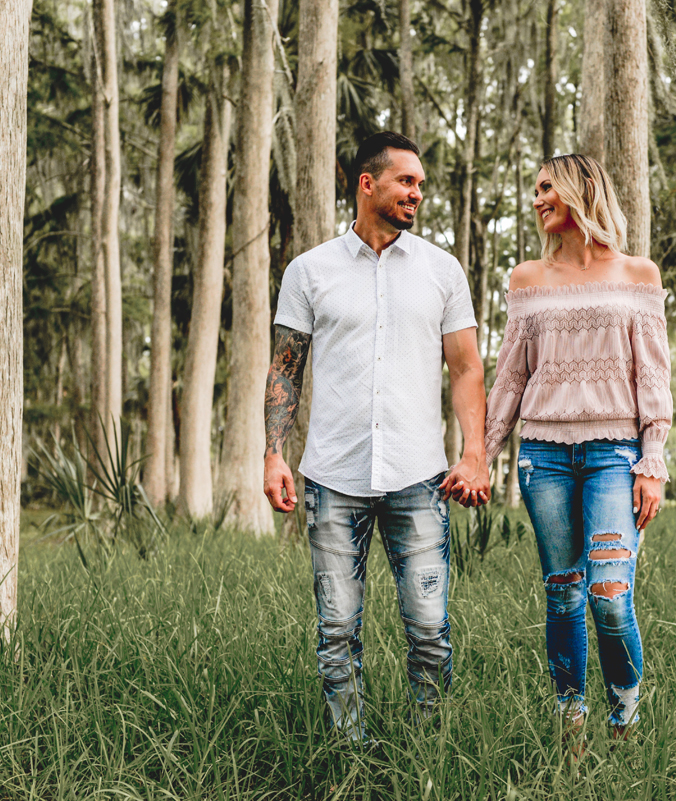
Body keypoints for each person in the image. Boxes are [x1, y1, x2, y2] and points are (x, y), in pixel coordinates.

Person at [263, 131, 490, 742]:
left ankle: (427, 750)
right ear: (368, 184)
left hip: (419, 477)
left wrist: (474, 454)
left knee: (430, 630)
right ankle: (349, 752)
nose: (418, 193)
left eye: (420, 184)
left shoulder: (442, 272)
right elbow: (286, 367)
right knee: (336, 631)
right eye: (406, 182)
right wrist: (273, 455)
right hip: (333, 478)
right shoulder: (309, 271)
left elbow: (467, 367)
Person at [483, 154, 671, 748]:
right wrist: (481, 454)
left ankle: (625, 723)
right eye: (534, 189)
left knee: (610, 597)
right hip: (544, 455)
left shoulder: (638, 274)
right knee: (563, 593)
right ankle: (571, 725)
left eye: (546, 188)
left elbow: (654, 377)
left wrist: (653, 459)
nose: (537, 199)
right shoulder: (525, 279)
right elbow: (512, 375)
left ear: (579, 191)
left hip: (617, 456)